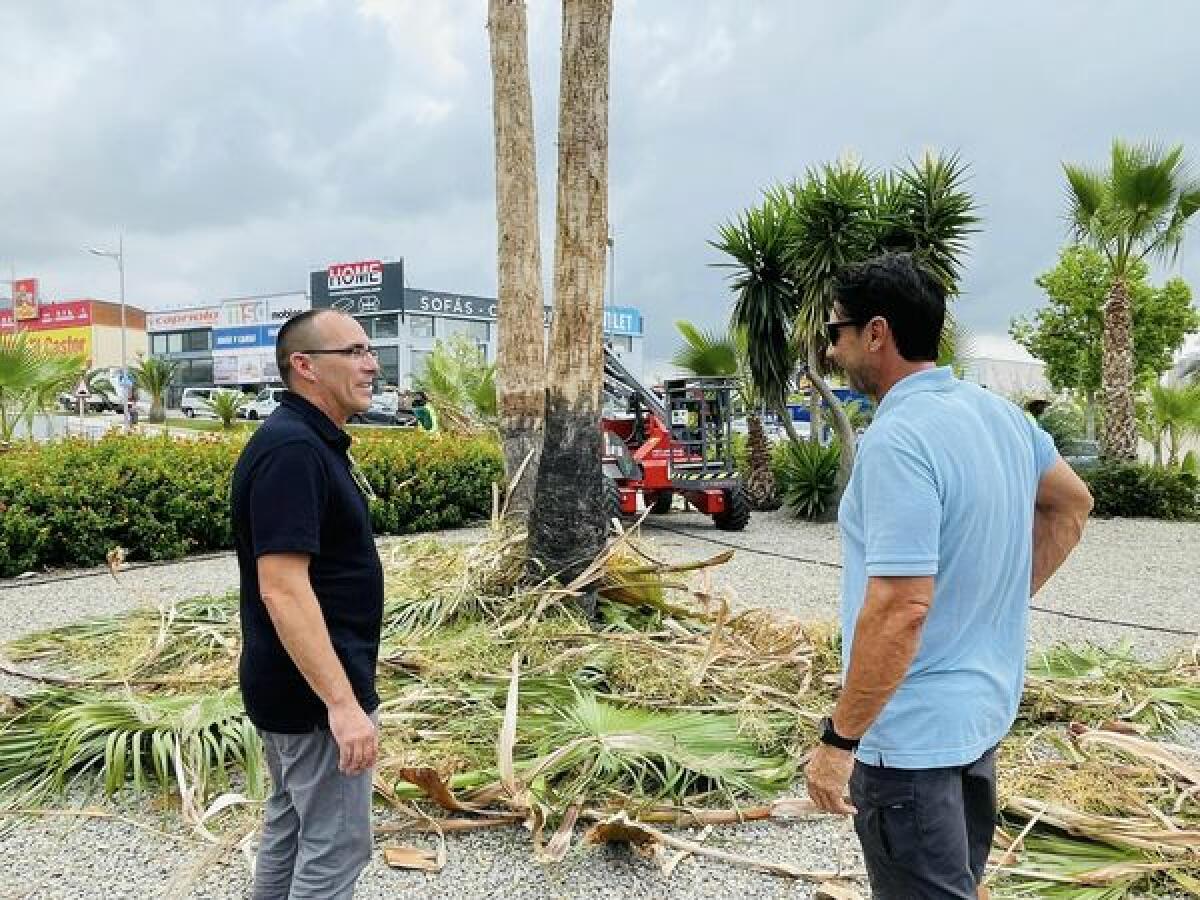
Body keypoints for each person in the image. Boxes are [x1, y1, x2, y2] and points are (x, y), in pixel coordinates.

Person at [804, 253, 1094, 899]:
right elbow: (1072, 503)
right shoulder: (1001, 417)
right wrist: (997, 600)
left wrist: (838, 740)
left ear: (875, 332)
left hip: (910, 737)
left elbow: (900, 605)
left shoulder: (899, 438)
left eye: (835, 332)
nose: (830, 349)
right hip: (981, 713)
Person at [230, 309, 384, 899]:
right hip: (314, 695)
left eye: (369, 350)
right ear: (305, 366)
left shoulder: (305, 442)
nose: (371, 364)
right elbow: (283, 588)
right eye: (353, 351)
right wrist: (342, 707)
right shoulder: (292, 450)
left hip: (296, 684)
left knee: (293, 826)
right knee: (337, 845)